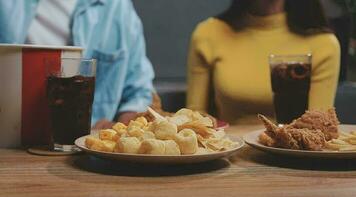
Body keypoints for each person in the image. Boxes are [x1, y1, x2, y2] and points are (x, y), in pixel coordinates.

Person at [0, 0, 155, 128]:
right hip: (10, 140)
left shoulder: (117, 7)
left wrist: (122, 129)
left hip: (85, 146)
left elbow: (138, 92)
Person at [187, 0, 340, 124]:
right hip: (231, 153)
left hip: (297, 156)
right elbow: (193, 118)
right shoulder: (208, 33)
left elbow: (319, 126)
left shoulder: (323, 44)